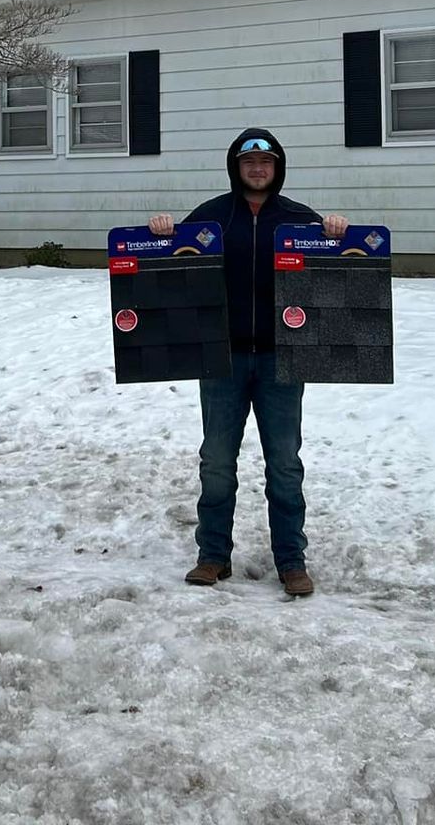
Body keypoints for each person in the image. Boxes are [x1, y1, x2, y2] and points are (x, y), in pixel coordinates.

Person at [149, 127, 347, 598]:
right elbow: (172, 260)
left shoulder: (299, 221)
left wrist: (336, 232)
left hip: (282, 361)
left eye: (266, 163)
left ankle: (291, 562)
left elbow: (336, 272)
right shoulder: (212, 219)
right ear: (235, 168)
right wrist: (163, 231)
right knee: (216, 461)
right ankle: (212, 556)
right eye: (247, 163)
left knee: (284, 464)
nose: (257, 170)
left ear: (277, 168)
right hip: (223, 360)